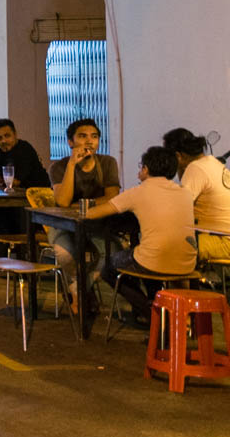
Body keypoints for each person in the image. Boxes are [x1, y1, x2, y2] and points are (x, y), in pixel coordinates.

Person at [85, 146, 197, 325]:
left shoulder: (138, 192)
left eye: (141, 166)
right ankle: (156, 306)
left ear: (145, 169)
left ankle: (151, 313)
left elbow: (94, 214)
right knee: (139, 253)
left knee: (109, 268)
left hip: (153, 261)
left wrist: (85, 207)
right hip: (187, 263)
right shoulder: (184, 193)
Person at [47, 118, 120, 301]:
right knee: (65, 253)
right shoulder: (59, 167)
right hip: (64, 225)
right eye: (82, 136)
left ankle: (78, 290)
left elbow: (112, 197)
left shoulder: (107, 163)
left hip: (98, 224)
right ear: (70, 142)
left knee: (112, 254)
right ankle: (84, 294)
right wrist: (72, 164)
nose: (89, 141)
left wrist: (81, 205)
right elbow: (63, 202)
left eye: (94, 137)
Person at [163, 127, 230, 261]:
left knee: (167, 245)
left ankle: (180, 282)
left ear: (178, 156)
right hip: (222, 237)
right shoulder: (214, 164)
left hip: (222, 241)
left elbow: (177, 209)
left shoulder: (195, 168)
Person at [0, 119, 50, 190]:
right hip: (19, 193)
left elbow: (14, 182)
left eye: (7, 136)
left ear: (15, 134)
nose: (3, 141)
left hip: (37, 193)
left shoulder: (24, 149)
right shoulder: (1, 152)